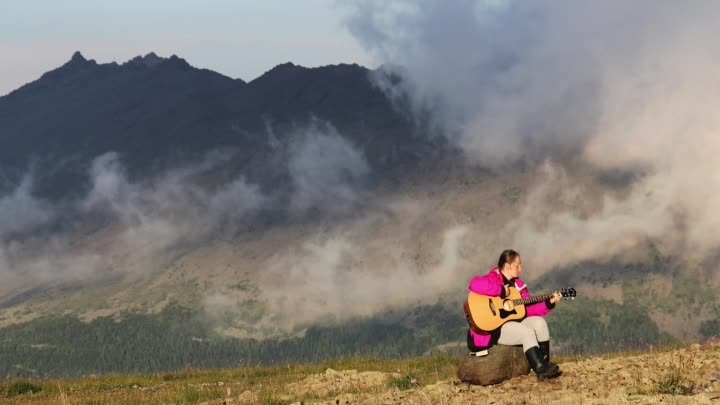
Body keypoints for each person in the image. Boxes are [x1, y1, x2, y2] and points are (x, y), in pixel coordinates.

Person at [466, 249, 562, 380]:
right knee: (527, 332)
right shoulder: (493, 278)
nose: (521, 268)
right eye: (518, 265)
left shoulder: (519, 286)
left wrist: (549, 303)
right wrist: (500, 291)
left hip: (514, 323)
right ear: (507, 266)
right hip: (496, 328)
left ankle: (545, 364)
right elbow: (474, 284)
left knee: (540, 323)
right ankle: (541, 370)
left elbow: (527, 310)